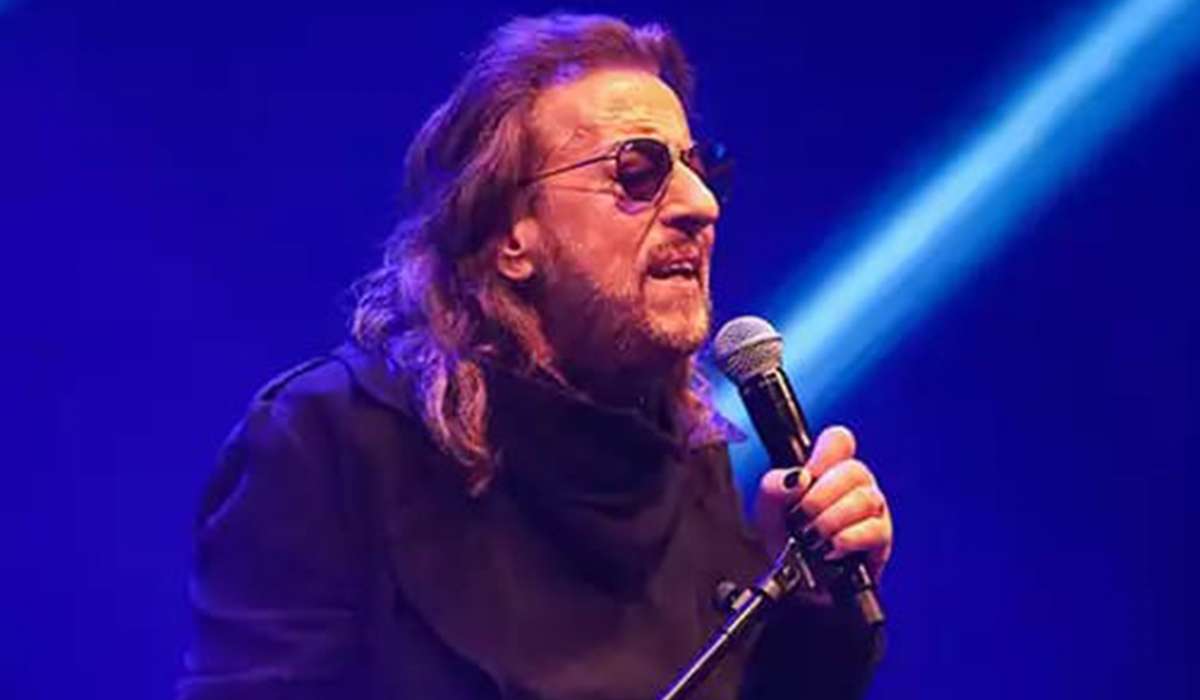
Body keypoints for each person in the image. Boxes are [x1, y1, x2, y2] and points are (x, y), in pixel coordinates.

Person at [178, 13, 894, 700]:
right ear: (509, 236)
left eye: (698, 167)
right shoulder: (330, 441)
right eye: (637, 170)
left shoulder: (691, 455)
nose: (701, 203)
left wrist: (815, 608)